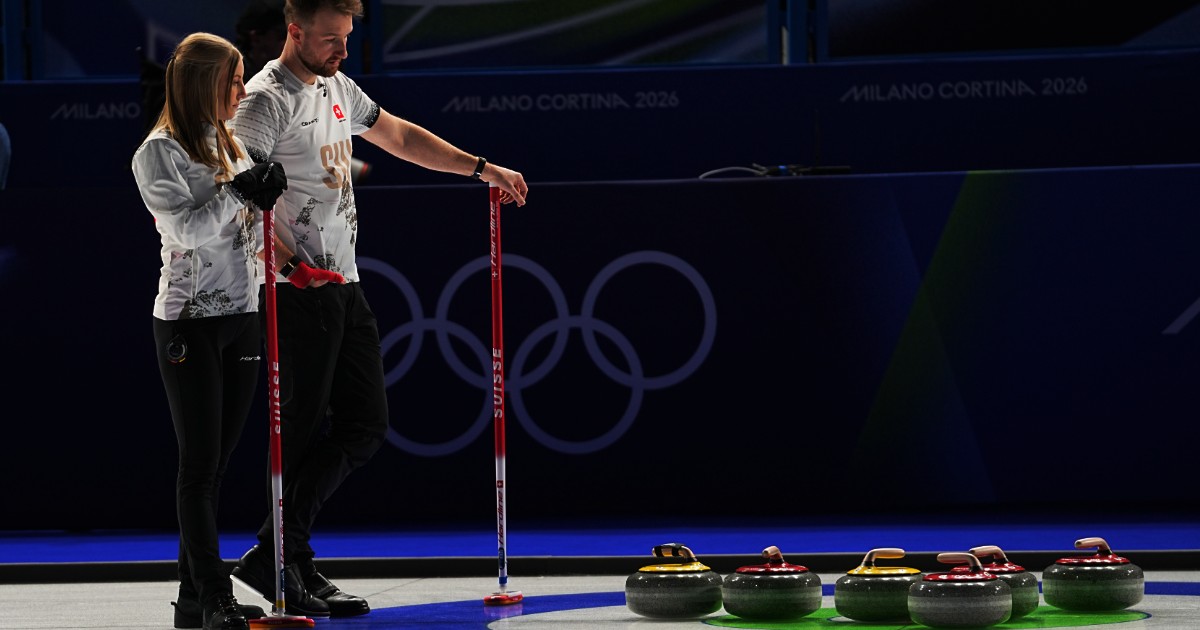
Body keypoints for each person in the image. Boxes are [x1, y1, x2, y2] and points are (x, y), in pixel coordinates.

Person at [227, 0, 528, 618]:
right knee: (298, 431)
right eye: (329, 38)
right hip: (293, 290)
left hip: (344, 282)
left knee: (365, 425)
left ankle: (278, 552)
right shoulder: (264, 101)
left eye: (346, 37)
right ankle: (285, 557)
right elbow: (237, 194)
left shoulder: (337, 86)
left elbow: (397, 135)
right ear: (294, 31)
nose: (342, 50)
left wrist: (480, 169)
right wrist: (289, 267)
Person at [132, 32, 288, 630]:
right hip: (189, 323)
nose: (242, 91)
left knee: (216, 465)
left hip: (241, 315)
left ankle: (193, 598)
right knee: (198, 466)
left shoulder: (228, 140)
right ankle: (214, 594)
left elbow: (248, 223)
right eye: (233, 79)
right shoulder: (158, 153)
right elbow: (188, 231)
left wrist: (263, 194)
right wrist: (237, 191)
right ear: (202, 82)